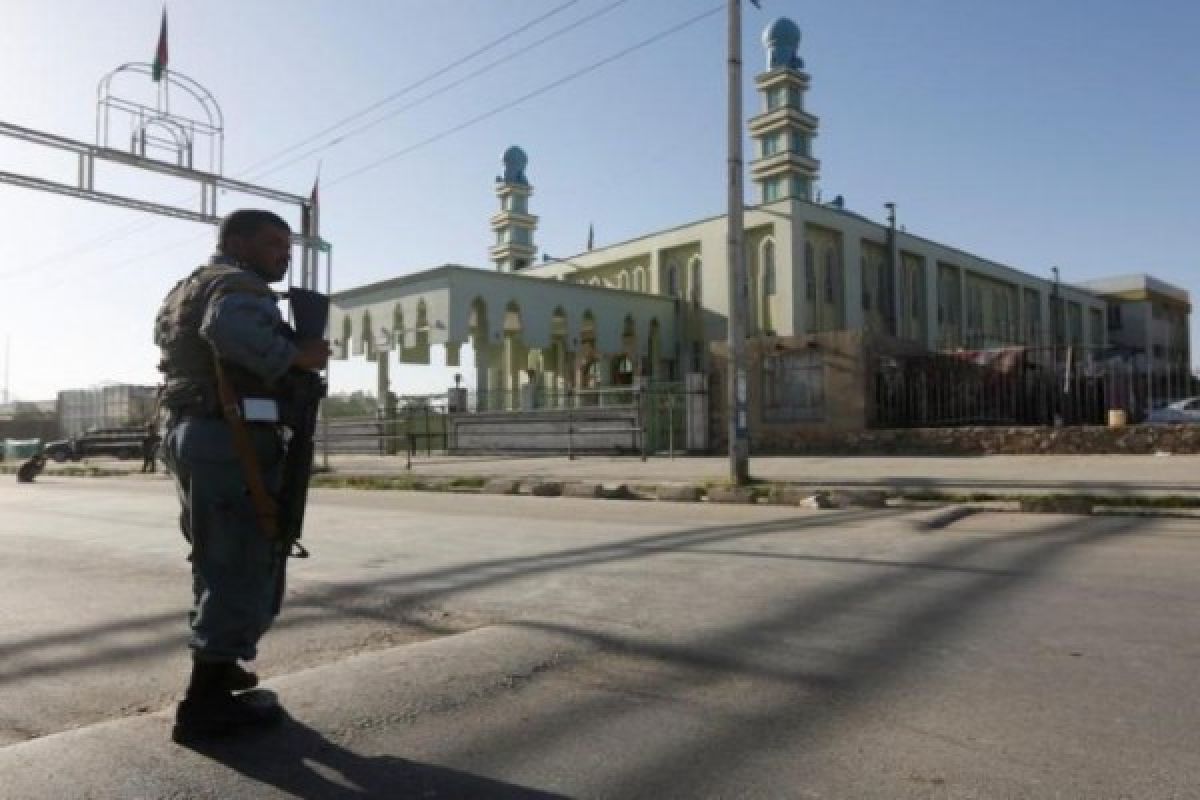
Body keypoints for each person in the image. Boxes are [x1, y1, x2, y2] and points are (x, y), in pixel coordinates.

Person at [155, 209, 329, 743]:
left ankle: (221, 662)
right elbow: (229, 331)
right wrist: (298, 355)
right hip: (230, 438)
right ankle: (204, 703)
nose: (284, 254)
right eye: (273, 243)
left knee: (215, 555)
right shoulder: (238, 286)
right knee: (242, 559)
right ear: (237, 242)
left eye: (288, 245)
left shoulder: (187, 287)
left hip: (195, 432)